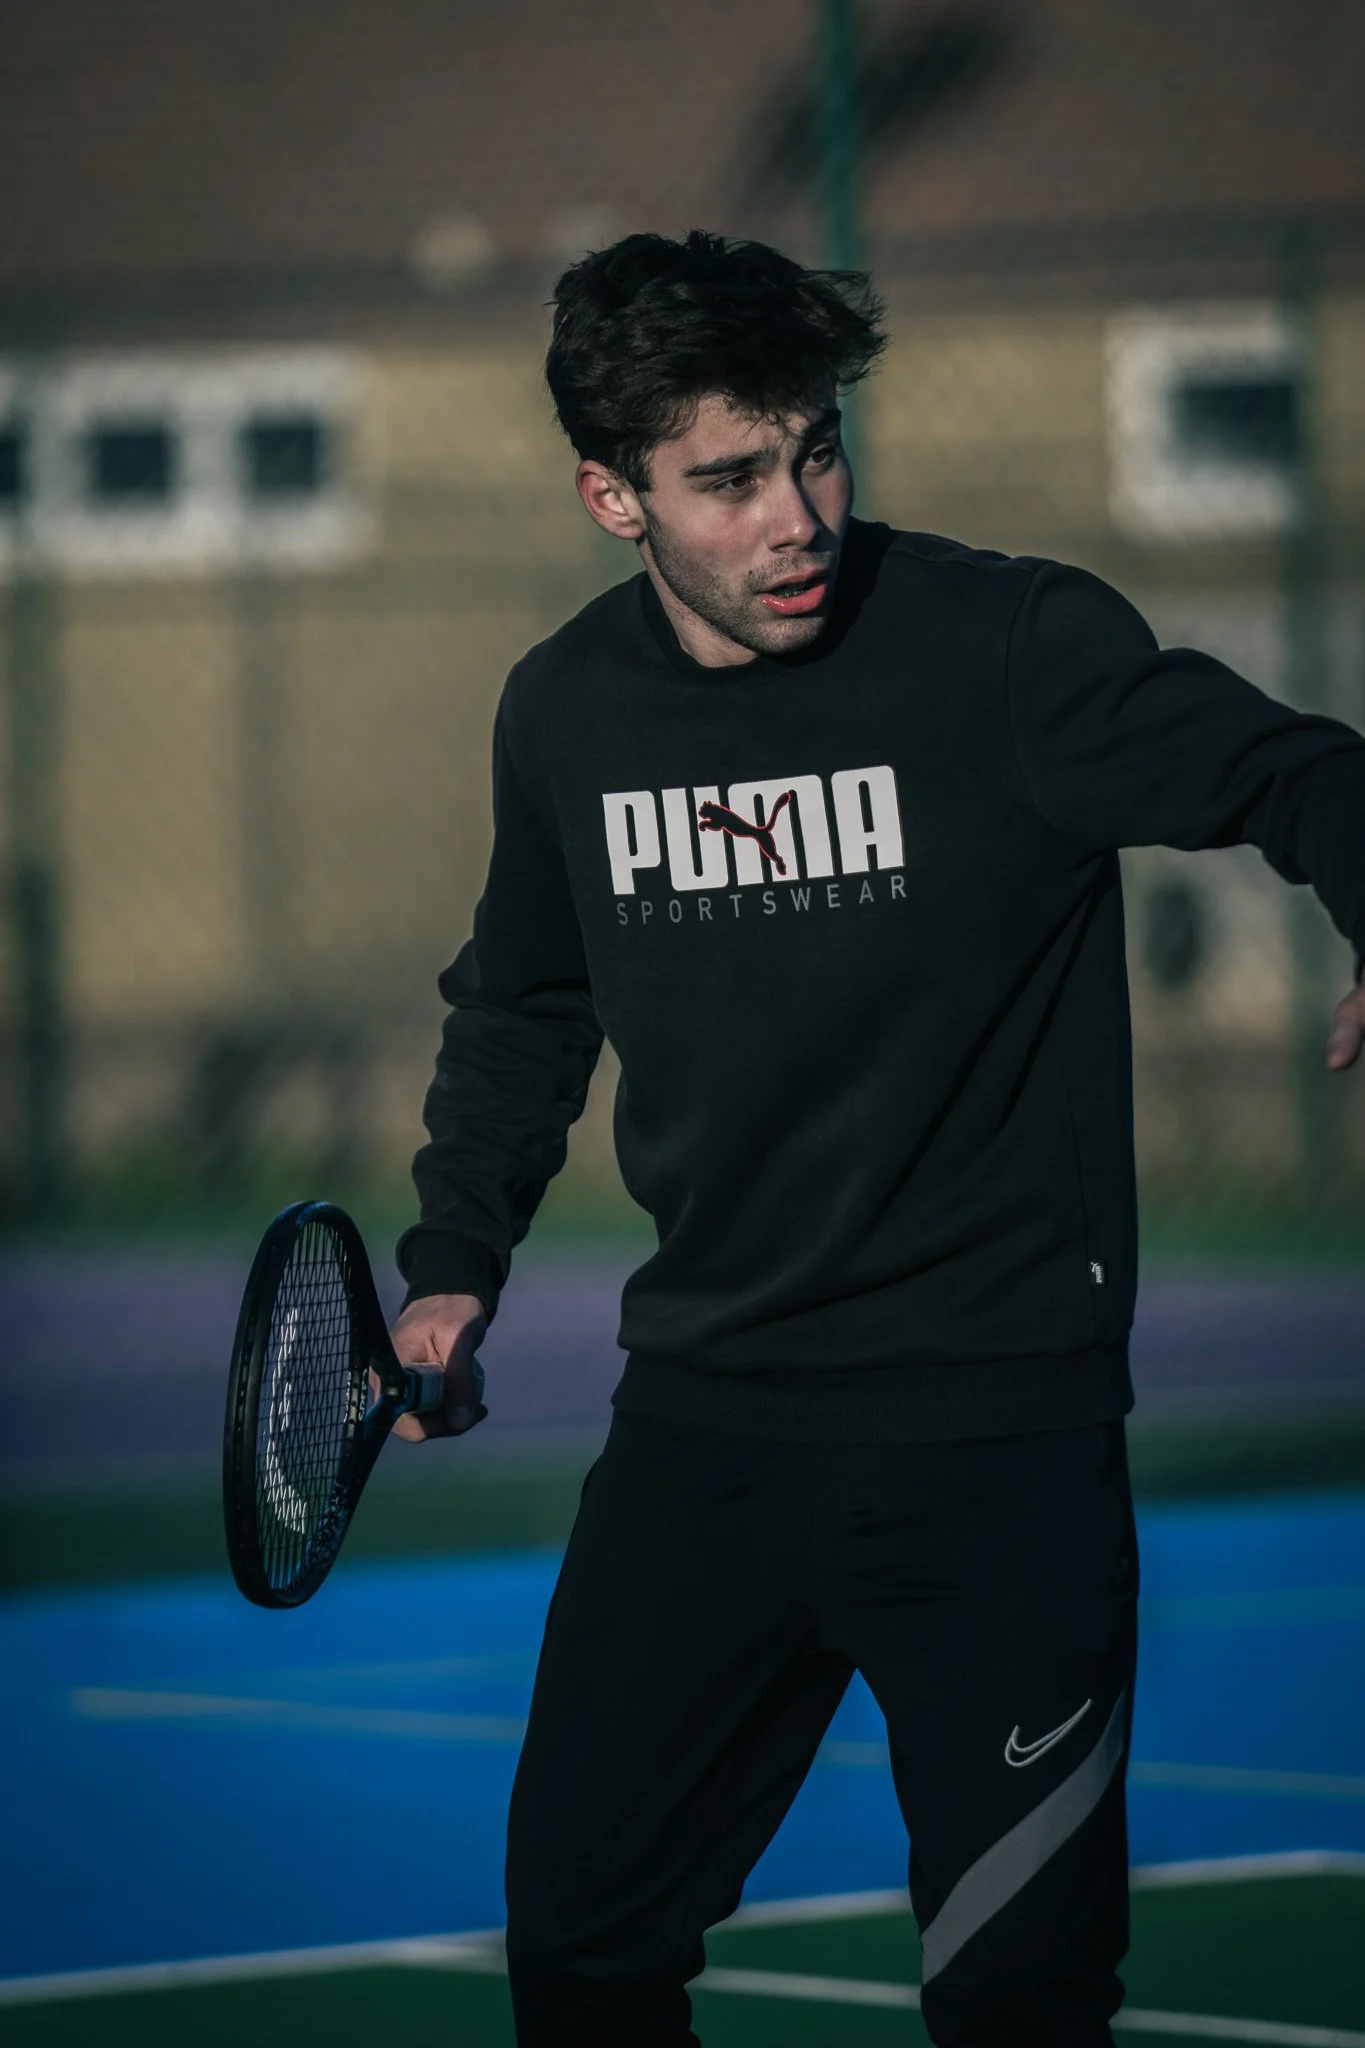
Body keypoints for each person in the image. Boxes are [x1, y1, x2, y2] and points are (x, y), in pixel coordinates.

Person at [387, 231, 1365, 2047]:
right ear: (615, 496)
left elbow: (1303, 771)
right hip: (703, 1440)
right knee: (584, 1958)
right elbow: (524, 1005)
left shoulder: (1012, 649)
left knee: (1020, 2001)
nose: (796, 516)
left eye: (816, 450)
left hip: (999, 1447)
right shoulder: (565, 713)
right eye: (731, 478)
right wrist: (452, 1266)